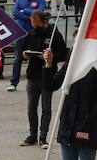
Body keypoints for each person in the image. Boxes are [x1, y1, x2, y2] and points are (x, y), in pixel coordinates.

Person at [20, 10, 67, 148]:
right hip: (32, 74)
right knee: (31, 108)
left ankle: (43, 136)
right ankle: (32, 135)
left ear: (43, 21)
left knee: (46, 107)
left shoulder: (54, 35)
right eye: (32, 22)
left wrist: (50, 57)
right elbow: (24, 49)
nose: (33, 24)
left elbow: (63, 54)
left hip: (47, 75)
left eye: (35, 21)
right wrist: (26, 54)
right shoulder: (31, 33)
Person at [56, 69, 97, 160]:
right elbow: (51, 84)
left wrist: (88, 119)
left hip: (87, 128)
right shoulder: (71, 64)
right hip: (68, 127)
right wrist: (48, 65)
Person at [7, 0, 46, 92]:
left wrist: (24, 10)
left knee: (38, 56)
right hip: (21, 32)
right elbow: (15, 12)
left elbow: (40, 12)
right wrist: (29, 16)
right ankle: (13, 83)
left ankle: (40, 81)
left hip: (35, 33)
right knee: (17, 58)